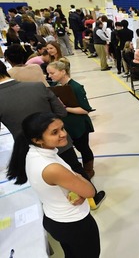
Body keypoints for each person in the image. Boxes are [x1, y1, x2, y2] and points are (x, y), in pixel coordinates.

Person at [0, 62, 105, 210]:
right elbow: (61, 112)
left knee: (45, 181)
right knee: (74, 168)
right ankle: (92, 199)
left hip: (29, 149)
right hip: (58, 142)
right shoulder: (37, 87)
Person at [7, 112, 100, 258]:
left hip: (55, 218)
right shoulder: (51, 168)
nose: (63, 134)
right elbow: (90, 191)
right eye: (55, 132)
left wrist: (76, 188)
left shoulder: (34, 152)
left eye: (62, 128)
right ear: (37, 139)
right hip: (74, 224)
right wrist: (78, 177)